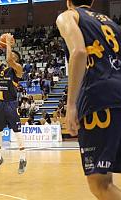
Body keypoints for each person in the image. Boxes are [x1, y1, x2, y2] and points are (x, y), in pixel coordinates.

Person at [57, 0, 121, 199]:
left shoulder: (69, 16)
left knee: (100, 184)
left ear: (69, 2)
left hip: (99, 98)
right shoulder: (111, 23)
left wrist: (71, 105)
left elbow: (79, 51)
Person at [0, 33, 27, 174]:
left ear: (17, 59)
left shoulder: (18, 69)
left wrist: (8, 43)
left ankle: (23, 158)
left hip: (11, 104)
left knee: (17, 132)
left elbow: (9, 59)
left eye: (14, 55)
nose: (11, 55)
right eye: (10, 53)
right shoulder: (0, 66)